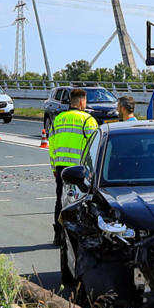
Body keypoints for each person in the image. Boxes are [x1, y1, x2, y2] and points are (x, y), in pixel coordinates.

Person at [49, 88, 98, 245]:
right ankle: (78, 236)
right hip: (80, 169)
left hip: (61, 167)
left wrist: (54, 168)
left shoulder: (58, 119)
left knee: (61, 201)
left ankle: (58, 235)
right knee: (81, 202)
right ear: (82, 102)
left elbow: (52, 146)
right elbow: (95, 146)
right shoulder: (87, 120)